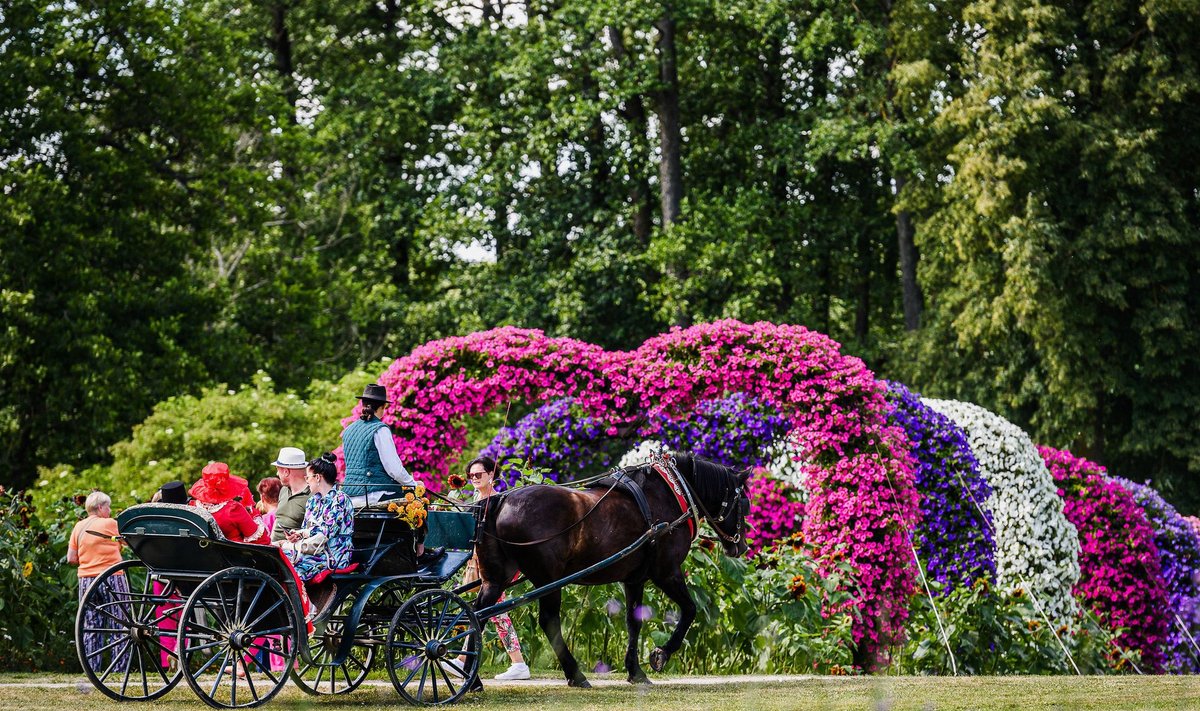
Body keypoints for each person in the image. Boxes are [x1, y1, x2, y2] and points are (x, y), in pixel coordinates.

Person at [341, 383, 439, 562]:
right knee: (419, 499)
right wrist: (412, 484)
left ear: (363, 404)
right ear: (383, 407)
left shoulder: (348, 430)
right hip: (374, 493)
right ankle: (420, 552)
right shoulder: (380, 429)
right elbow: (393, 468)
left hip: (349, 494)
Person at [457, 456, 531, 681]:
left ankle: (515, 663)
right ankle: (515, 664)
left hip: (498, 564)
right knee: (493, 611)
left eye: (478, 475)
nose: (474, 479)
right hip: (480, 562)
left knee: (494, 609)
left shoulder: (497, 502)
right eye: (471, 476)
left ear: (491, 475)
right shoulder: (476, 499)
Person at [68, 491, 128, 672]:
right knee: (120, 623)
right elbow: (127, 542)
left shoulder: (78, 527)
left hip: (86, 580)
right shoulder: (109, 523)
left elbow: (71, 557)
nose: (109, 511)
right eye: (108, 507)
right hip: (112, 578)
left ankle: (92, 669)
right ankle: (119, 669)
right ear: (101, 507)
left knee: (91, 625)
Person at [275, 452, 354, 582]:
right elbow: (308, 529)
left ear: (317, 477)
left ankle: (298, 601)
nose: (306, 481)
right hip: (314, 550)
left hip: (333, 555)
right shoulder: (313, 501)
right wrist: (297, 535)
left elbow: (327, 532)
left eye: (308, 477)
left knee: (290, 567)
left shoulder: (340, 499)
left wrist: (303, 534)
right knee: (278, 559)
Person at [189, 462, 269, 544]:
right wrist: (254, 515)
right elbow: (261, 540)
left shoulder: (193, 507)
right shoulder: (233, 509)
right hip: (234, 554)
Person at [270, 447, 310, 542]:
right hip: (274, 548)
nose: (277, 473)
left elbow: (314, 532)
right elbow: (278, 520)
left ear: (286, 472)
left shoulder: (312, 496)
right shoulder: (283, 490)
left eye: (278, 469)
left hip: (293, 551)